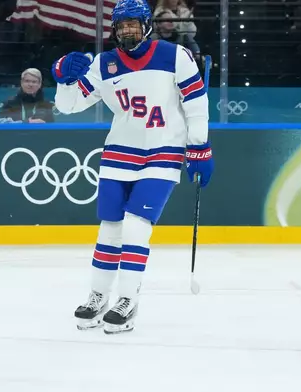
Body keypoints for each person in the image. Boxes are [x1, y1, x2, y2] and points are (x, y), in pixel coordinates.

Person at [52, 0, 213, 334]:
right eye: (122, 25)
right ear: (115, 28)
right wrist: (63, 78)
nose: (128, 30)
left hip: (163, 152)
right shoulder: (103, 64)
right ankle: (98, 295)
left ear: (147, 25)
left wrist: (199, 146)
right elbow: (68, 107)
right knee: (109, 229)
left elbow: (196, 103)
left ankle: (128, 299)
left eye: (133, 24)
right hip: (119, 153)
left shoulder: (175, 56)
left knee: (137, 226)